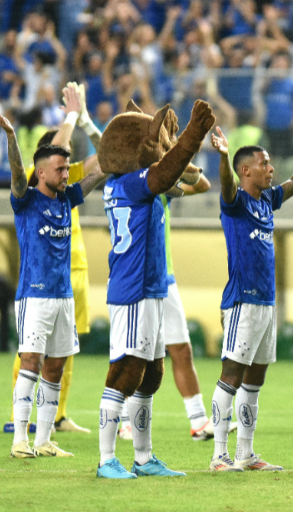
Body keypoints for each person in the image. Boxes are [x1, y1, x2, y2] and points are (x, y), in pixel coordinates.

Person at [207, 125, 293, 472]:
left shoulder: (268, 200)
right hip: (242, 301)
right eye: (264, 163)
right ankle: (219, 455)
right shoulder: (235, 202)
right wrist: (223, 157)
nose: (271, 169)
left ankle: (246, 454)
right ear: (245, 171)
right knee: (231, 375)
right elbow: (225, 182)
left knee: (255, 380)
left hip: (266, 303)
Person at [96, 101, 215, 480]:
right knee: (125, 373)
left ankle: (144, 458)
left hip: (152, 287)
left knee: (151, 374)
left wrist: (176, 145)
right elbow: (163, 175)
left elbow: (183, 178)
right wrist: (192, 135)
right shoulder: (129, 182)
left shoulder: (131, 182)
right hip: (132, 290)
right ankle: (106, 460)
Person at [0, 105, 105, 459]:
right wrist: (11, 137)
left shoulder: (68, 198)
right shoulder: (25, 200)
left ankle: (43, 440)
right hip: (35, 296)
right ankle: (19, 441)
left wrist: (126, 149)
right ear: (41, 172)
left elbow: (100, 171)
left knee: (55, 365)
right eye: (60, 169)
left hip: (63, 298)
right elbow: (15, 171)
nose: (66, 174)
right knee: (31, 361)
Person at [117, 168, 216, 443]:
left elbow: (204, 184)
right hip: (135, 281)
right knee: (133, 353)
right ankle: (123, 419)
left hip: (165, 278)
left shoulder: (163, 188)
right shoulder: (126, 186)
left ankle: (198, 422)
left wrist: (180, 160)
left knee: (181, 348)